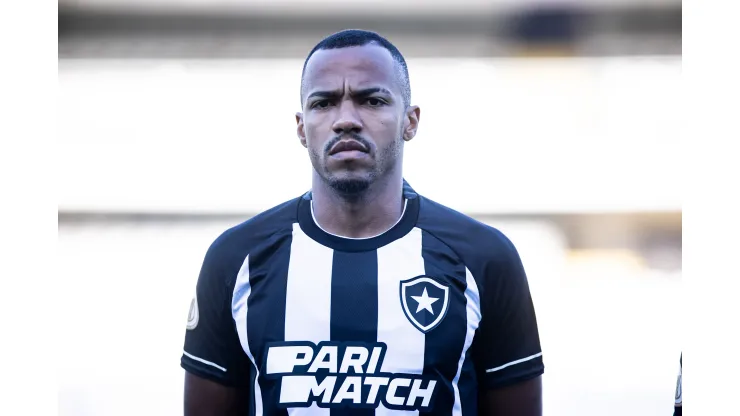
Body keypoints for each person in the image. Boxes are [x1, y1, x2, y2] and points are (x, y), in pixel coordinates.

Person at [181, 29, 544, 416]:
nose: (346, 120)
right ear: (302, 128)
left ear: (410, 121)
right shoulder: (237, 259)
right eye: (324, 103)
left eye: (371, 100)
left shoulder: (484, 257)